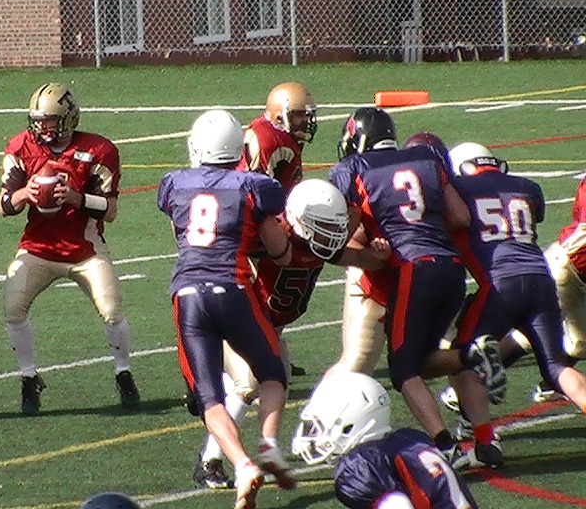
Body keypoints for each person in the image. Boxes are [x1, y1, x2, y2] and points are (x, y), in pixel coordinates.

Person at [328, 108, 502, 468]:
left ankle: (444, 445)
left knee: (403, 369)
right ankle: (486, 439)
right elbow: (460, 217)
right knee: (425, 359)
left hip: (411, 270)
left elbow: (347, 229)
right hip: (450, 270)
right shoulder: (427, 157)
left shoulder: (355, 168)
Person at [193, 179, 391, 489]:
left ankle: (254, 438)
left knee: (274, 382)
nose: (332, 234)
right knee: (249, 383)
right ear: (300, 221)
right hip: (238, 322)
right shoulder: (272, 237)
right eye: (324, 226)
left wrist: (378, 254)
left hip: (269, 329)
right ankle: (210, 460)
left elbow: (360, 259)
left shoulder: (316, 243)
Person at [157, 109, 296, 509]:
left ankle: (241, 464)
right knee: (272, 373)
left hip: (188, 295)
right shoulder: (253, 186)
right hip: (233, 290)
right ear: (238, 149)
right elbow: (281, 253)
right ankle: (268, 444)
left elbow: (182, 234)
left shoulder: (174, 184)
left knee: (209, 396)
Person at [439, 143, 586, 465]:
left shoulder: (458, 189)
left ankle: (484, 441)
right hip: (542, 280)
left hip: (499, 286)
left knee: (462, 355)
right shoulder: (527, 188)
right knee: (556, 367)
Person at [0, 82, 139, 415]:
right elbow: (3, 206)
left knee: (111, 310)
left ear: (69, 118)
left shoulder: (98, 149)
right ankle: (29, 377)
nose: (41, 127)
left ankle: (123, 372)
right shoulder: (21, 146)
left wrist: (74, 198)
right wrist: (26, 193)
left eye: (49, 120)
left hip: (84, 249)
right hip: (38, 248)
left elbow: (110, 211)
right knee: (13, 308)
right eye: (38, 121)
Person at [292, 371, 480, 509]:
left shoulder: (360, 463)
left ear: (350, 422)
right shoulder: (410, 438)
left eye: (318, 427)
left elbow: (398, 505)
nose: (313, 436)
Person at [238, 81, 318, 380]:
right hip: (249, 229)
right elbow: (254, 194)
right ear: (279, 114)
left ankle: (270, 345)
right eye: (298, 115)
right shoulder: (272, 140)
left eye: (306, 115)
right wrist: (277, 225)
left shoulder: (279, 137)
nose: (305, 121)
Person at [539, 171, 586, 400]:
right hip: (568, 265)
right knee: (529, 335)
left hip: (573, 267)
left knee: (579, 343)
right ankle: (468, 386)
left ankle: (552, 383)